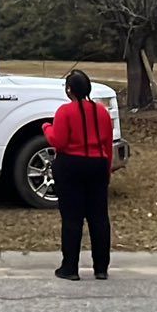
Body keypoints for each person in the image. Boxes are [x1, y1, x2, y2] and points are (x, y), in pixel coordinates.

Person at [44, 70, 114, 279]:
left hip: (71, 165)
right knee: (99, 218)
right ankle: (101, 268)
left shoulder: (65, 111)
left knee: (72, 218)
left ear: (69, 90)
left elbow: (59, 141)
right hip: (98, 164)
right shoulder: (101, 111)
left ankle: (70, 267)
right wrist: (107, 168)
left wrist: (47, 127)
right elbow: (107, 143)